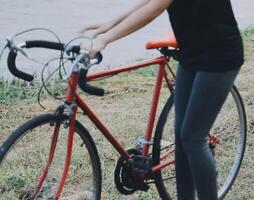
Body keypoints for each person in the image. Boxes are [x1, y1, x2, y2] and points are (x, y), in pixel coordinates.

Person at [80, 0, 244, 199]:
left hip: (220, 54)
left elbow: (155, 8)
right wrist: (111, 24)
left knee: (193, 138)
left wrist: (107, 38)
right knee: (182, 138)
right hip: (191, 54)